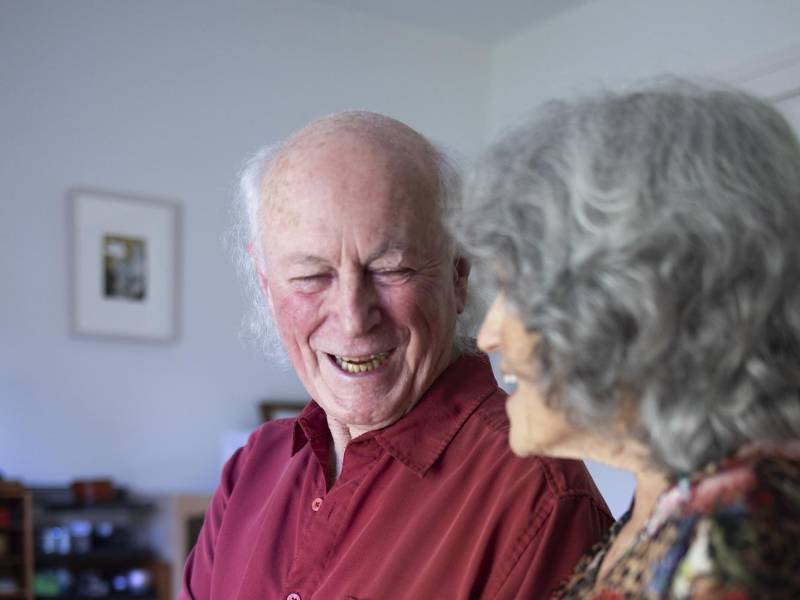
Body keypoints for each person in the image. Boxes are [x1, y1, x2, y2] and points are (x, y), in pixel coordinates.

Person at [180, 112, 612, 599]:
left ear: (458, 275)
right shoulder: (252, 469)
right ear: (266, 285)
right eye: (310, 277)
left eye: (391, 269)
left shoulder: (537, 496)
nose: (353, 317)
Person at [451, 80, 800, 598]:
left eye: (514, 290)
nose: (487, 334)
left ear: (637, 304)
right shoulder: (664, 504)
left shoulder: (750, 529)